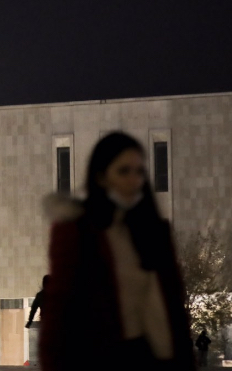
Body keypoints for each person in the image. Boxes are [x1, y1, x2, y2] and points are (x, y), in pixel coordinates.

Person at [39, 132, 194, 371]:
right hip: (102, 357)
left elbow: (173, 304)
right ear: (101, 177)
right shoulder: (77, 231)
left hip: (153, 356)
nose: (134, 180)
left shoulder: (153, 232)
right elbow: (61, 308)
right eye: (123, 171)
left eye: (139, 171)